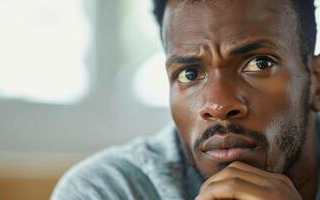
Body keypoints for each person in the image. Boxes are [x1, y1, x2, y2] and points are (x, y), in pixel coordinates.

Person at [51, 0, 320, 199]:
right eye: (189, 73)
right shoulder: (109, 189)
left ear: (316, 82)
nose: (218, 105)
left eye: (259, 63)